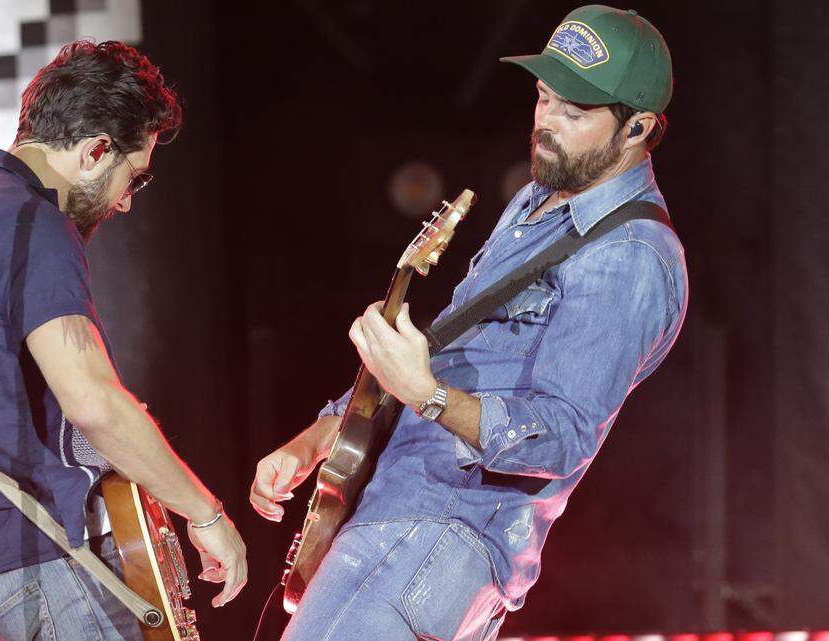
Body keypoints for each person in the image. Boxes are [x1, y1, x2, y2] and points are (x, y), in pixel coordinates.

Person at [249, 6, 687, 640]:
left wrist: (424, 394)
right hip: (407, 518)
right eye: (544, 98)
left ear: (639, 127)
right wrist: (322, 434)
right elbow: (453, 346)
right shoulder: (536, 201)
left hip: (440, 530)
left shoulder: (630, 255)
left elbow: (563, 437)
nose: (547, 125)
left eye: (576, 112)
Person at [0, 40, 246, 641]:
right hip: (48, 560)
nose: (127, 202)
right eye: (131, 177)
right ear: (95, 152)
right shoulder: (30, 218)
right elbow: (92, 403)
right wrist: (206, 513)